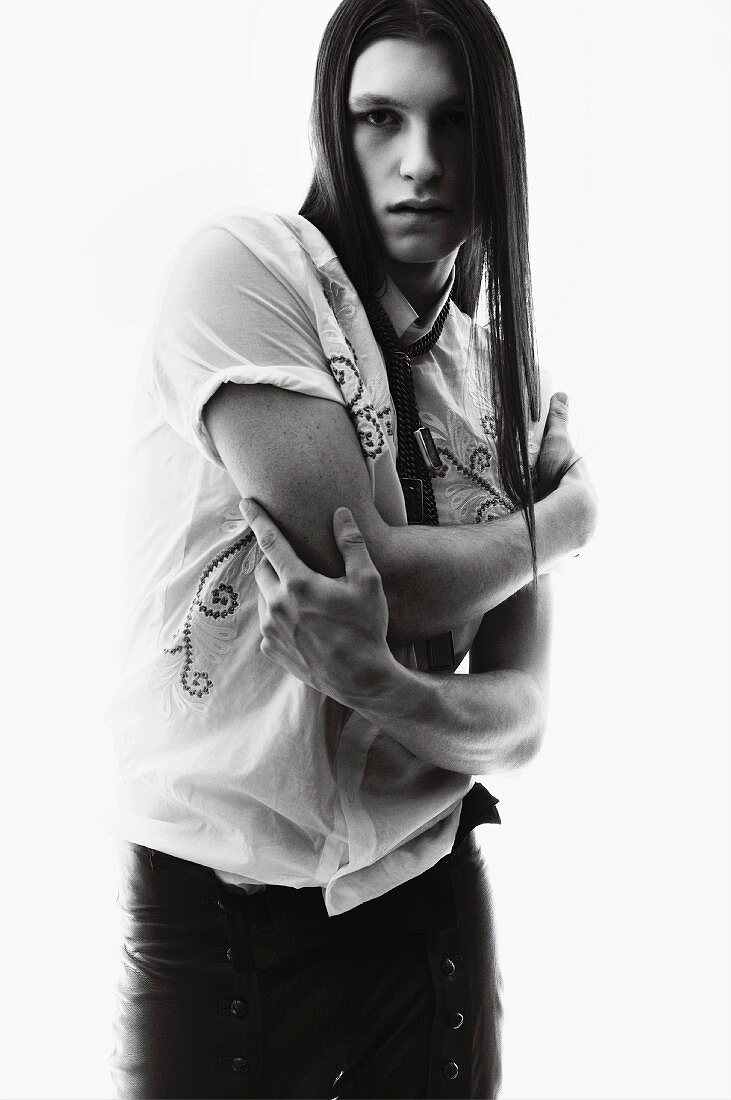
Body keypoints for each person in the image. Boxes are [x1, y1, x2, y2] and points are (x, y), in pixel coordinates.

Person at [107, 0, 596, 1096]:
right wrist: (558, 523)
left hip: (426, 908)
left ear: (498, 141)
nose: (419, 161)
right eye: (380, 118)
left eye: (455, 121)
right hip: (214, 914)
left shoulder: (502, 375)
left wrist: (379, 683)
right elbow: (363, 565)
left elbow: (520, 720)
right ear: (334, 125)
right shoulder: (245, 270)